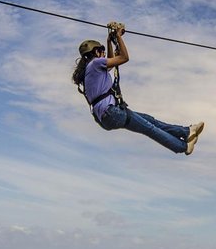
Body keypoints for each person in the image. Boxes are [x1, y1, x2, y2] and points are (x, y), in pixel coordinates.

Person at [72, 28, 204, 155]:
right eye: (102, 50)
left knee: (150, 121)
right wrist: (118, 36)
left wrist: (109, 40)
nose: (104, 53)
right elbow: (123, 57)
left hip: (107, 117)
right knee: (150, 128)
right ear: (95, 52)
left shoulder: (90, 71)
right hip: (112, 112)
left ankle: (186, 132)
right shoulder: (95, 64)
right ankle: (183, 146)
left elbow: (112, 61)